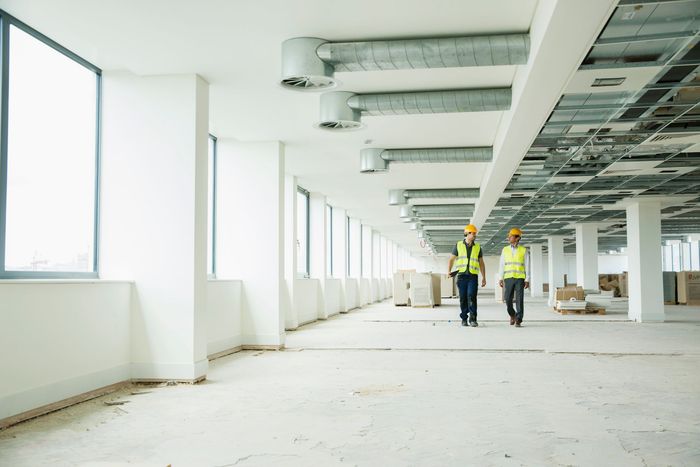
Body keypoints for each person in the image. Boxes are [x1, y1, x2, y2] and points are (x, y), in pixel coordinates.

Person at [447, 224, 486, 327]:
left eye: (475, 233)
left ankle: (473, 319)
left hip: (473, 276)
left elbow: (481, 263)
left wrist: (484, 277)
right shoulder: (458, 245)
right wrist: (449, 271)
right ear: (466, 234)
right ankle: (464, 318)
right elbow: (451, 259)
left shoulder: (477, 247)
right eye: (472, 233)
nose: (474, 235)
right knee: (463, 298)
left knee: (472, 296)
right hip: (462, 276)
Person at [498, 228, 530, 327]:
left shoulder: (524, 250)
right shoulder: (505, 249)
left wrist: (527, 279)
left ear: (517, 238)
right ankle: (512, 315)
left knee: (519, 299)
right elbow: (502, 264)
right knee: (507, 299)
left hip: (520, 278)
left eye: (511, 236)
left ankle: (519, 319)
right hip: (508, 278)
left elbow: (527, 265)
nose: (509, 237)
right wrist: (500, 277)